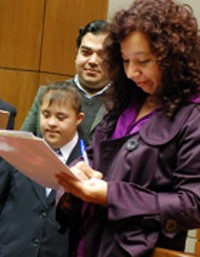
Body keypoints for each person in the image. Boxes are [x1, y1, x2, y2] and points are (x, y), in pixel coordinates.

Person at [55, 1, 200, 256]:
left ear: (173, 58)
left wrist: (111, 194)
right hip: (89, 244)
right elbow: (91, 155)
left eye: (143, 61)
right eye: (124, 61)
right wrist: (79, 175)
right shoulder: (124, 102)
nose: (133, 72)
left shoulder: (192, 115)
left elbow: (192, 204)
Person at [0, 81, 84, 257]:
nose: (51, 123)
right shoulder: (20, 150)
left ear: (78, 119)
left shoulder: (87, 163)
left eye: (61, 117)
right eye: (46, 114)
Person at [21, 20, 110, 146]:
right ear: (76, 54)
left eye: (102, 55)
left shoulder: (123, 102)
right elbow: (23, 145)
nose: (93, 61)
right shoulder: (47, 94)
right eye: (86, 52)